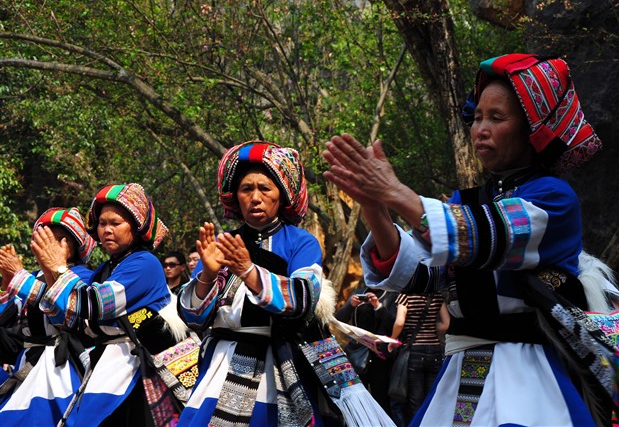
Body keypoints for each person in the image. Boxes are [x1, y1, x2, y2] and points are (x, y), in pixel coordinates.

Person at [323, 54, 609, 426]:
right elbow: (423, 275)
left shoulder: (553, 197)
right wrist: (375, 207)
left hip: (527, 370)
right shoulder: (466, 202)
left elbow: (484, 235)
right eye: (477, 118)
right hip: (461, 369)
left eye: (496, 118)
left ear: (532, 129)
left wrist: (395, 192)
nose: (480, 129)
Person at [177, 140, 394, 426]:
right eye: (246, 189)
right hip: (220, 363)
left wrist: (246, 270)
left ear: (282, 195)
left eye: (265, 188)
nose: (255, 197)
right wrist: (206, 274)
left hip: (277, 363)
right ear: (235, 197)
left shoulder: (300, 242)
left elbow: (303, 299)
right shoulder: (222, 244)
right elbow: (192, 317)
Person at [19, 184, 186, 426]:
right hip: (106, 364)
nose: (106, 230)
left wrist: (53, 268)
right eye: (102, 223)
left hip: (139, 368)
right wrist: (49, 268)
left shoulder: (145, 263)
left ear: (137, 226)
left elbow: (93, 304)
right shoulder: (106, 270)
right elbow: (72, 320)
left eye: (115, 223)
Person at [0, 208, 97, 425]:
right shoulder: (31, 277)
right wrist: (7, 284)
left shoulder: (83, 276)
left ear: (76, 246)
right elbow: (6, 318)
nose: (51, 244)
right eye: (46, 237)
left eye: (61, 239)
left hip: (63, 365)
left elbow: (63, 310)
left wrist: (19, 278)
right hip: (27, 361)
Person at [335, 286, 398, 421]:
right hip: (357, 354)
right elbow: (339, 320)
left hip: (380, 356)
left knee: (381, 399)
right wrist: (351, 306)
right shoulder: (360, 291)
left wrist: (378, 307)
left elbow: (394, 325)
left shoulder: (392, 293)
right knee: (357, 399)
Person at [389, 293, 449, 422]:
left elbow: (400, 322)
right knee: (431, 398)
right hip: (435, 351)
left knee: (415, 401)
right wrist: (430, 328)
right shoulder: (437, 296)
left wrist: (392, 339)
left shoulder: (406, 296)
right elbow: (446, 323)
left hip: (415, 351)